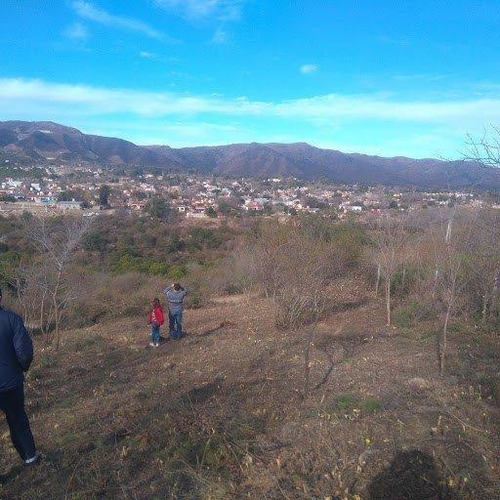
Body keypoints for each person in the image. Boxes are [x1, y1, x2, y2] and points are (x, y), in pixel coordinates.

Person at [0, 286, 39, 466]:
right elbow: (24, 352)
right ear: (0, 298)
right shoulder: (12, 319)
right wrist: (22, 368)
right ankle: (29, 456)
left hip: (10, 382)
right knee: (17, 420)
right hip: (11, 383)